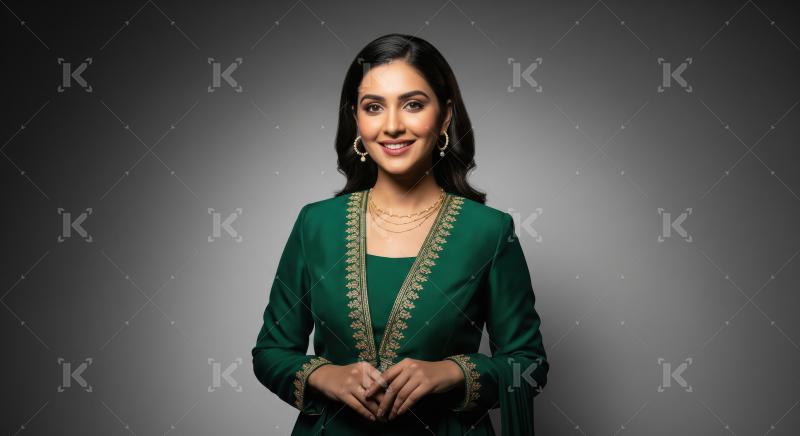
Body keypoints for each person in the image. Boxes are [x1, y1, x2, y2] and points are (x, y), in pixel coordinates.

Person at [251, 33, 549, 435]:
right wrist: (325, 376)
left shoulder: (489, 232)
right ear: (356, 118)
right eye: (374, 107)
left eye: (413, 105)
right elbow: (270, 352)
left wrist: (452, 372)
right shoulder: (315, 225)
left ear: (444, 116)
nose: (392, 126)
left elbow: (528, 364)